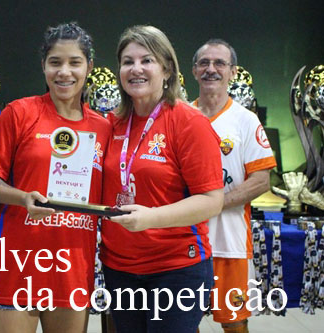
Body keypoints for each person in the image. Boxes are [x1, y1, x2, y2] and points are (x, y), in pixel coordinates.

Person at [0, 22, 111, 332]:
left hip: (73, 262)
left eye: (74, 62)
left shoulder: (103, 127)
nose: (65, 72)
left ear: (88, 66)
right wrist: (23, 197)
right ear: (43, 66)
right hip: (18, 260)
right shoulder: (20, 113)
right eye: (55, 62)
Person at [100, 25, 224, 332]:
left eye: (147, 60)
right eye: (128, 61)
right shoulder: (110, 123)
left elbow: (212, 201)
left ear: (167, 69)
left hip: (175, 267)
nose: (136, 69)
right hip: (119, 267)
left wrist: (152, 218)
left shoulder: (188, 123)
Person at [192, 39, 276, 333]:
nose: (211, 69)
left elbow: (261, 179)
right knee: (184, 321)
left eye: (219, 63)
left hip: (230, 243)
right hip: (185, 241)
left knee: (235, 322)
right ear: (194, 71)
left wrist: (214, 202)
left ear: (233, 72)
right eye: (204, 63)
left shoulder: (245, 120)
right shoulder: (180, 118)